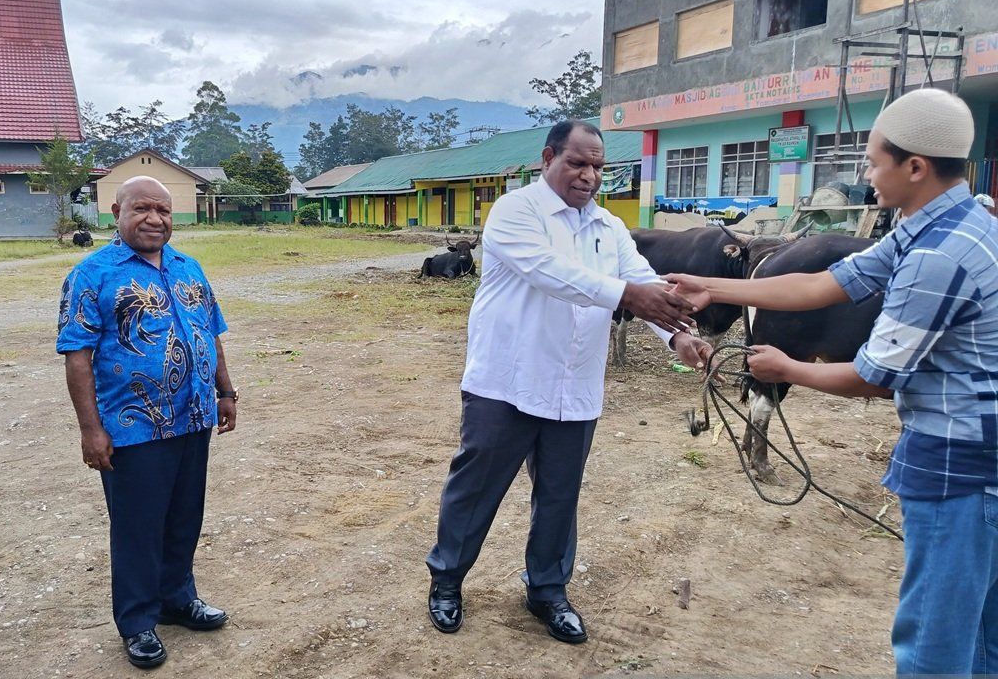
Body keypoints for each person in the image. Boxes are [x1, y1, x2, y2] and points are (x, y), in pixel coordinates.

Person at [668, 89, 998, 675]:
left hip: (960, 464)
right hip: (977, 454)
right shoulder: (945, 224)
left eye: (872, 162)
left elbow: (876, 376)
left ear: (914, 167)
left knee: (935, 643)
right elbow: (825, 282)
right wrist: (712, 287)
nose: (866, 176)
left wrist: (787, 370)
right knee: (981, 639)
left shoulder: (937, 256)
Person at [425, 120, 711, 644]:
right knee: (477, 486)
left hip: (574, 385)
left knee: (560, 494)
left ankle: (548, 591)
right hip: (506, 383)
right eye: (577, 163)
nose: (589, 176)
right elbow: (549, 272)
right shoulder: (515, 211)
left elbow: (643, 281)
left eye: (598, 166)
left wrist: (679, 337)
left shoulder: (608, 226)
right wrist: (627, 295)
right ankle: (447, 579)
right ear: (548, 158)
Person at [57, 176, 238, 670]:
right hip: (133, 428)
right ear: (116, 212)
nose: (154, 219)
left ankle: (177, 599)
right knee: (138, 528)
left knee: (184, 517)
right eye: (141, 209)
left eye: (163, 210)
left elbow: (211, 333)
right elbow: (77, 357)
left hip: (193, 418)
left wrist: (225, 392)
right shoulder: (91, 275)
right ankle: (137, 621)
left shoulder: (188, 267)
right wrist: (91, 430)